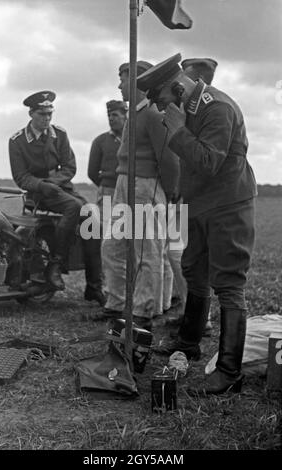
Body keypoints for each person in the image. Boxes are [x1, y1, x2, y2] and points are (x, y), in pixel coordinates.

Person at [137, 54, 257, 394]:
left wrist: (176, 132)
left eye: (161, 101)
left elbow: (207, 162)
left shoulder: (217, 107)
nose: (161, 110)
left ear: (177, 88)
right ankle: (189, 342)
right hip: (200, 205)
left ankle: (229, 371)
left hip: (228, 205)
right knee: (193, 269)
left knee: (229, 283)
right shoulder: (187, 107)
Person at [101, 61, 179, 330]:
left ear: (136, 82)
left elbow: (168, 157)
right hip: (125, 182)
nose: (119, 85)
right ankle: (117, 303)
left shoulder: (153, 114)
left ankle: (147, 308)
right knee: (113, 246)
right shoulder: (135, 113)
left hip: (146, 185)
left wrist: (170, 192)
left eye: (123, 80)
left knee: (148, 249)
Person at [9, 90, 105, 305]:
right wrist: (43, 185)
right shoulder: (17, 141)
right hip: (39, 193)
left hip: (61, 188)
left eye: (50, 114)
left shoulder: (59, 134)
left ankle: (94, 286)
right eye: (42, 114)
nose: (47, 119)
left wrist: (54, 182)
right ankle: (55, 264)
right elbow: (21, 177)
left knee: (92, 217)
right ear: (31, 114)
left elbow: (69, 166)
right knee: (75, 207)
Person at [166, 57, 219, 334]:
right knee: (182, 258)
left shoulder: (207, 112)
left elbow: (199, 159)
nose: (179, 85)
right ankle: (193, 316)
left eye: (184, 78)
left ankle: (201, 319)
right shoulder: (189, 110)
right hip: (187, 196)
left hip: (200, 200)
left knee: (185, 257)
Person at [88, 100, 127, 234]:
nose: (111, 119)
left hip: (131, 191)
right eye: (109, 115)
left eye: (115, 115)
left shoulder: (134, 139)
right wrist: (107, 184)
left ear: (125, 115)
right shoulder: (100, 141)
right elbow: (92, 172)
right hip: (107, 193)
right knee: (107, 231)